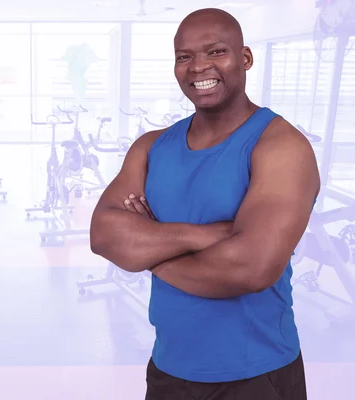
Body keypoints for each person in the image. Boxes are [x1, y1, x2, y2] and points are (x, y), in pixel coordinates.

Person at [89, 8, 319, 400]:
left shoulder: (281, 146)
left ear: (244, 58)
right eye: (184, 56)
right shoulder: (150, 148)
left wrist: (148, 252)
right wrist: (211, 235)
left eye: (215, 52)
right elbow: (104, 236)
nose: (198, 67)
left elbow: (250, 267)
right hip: (168, 370)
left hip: (255, 375)